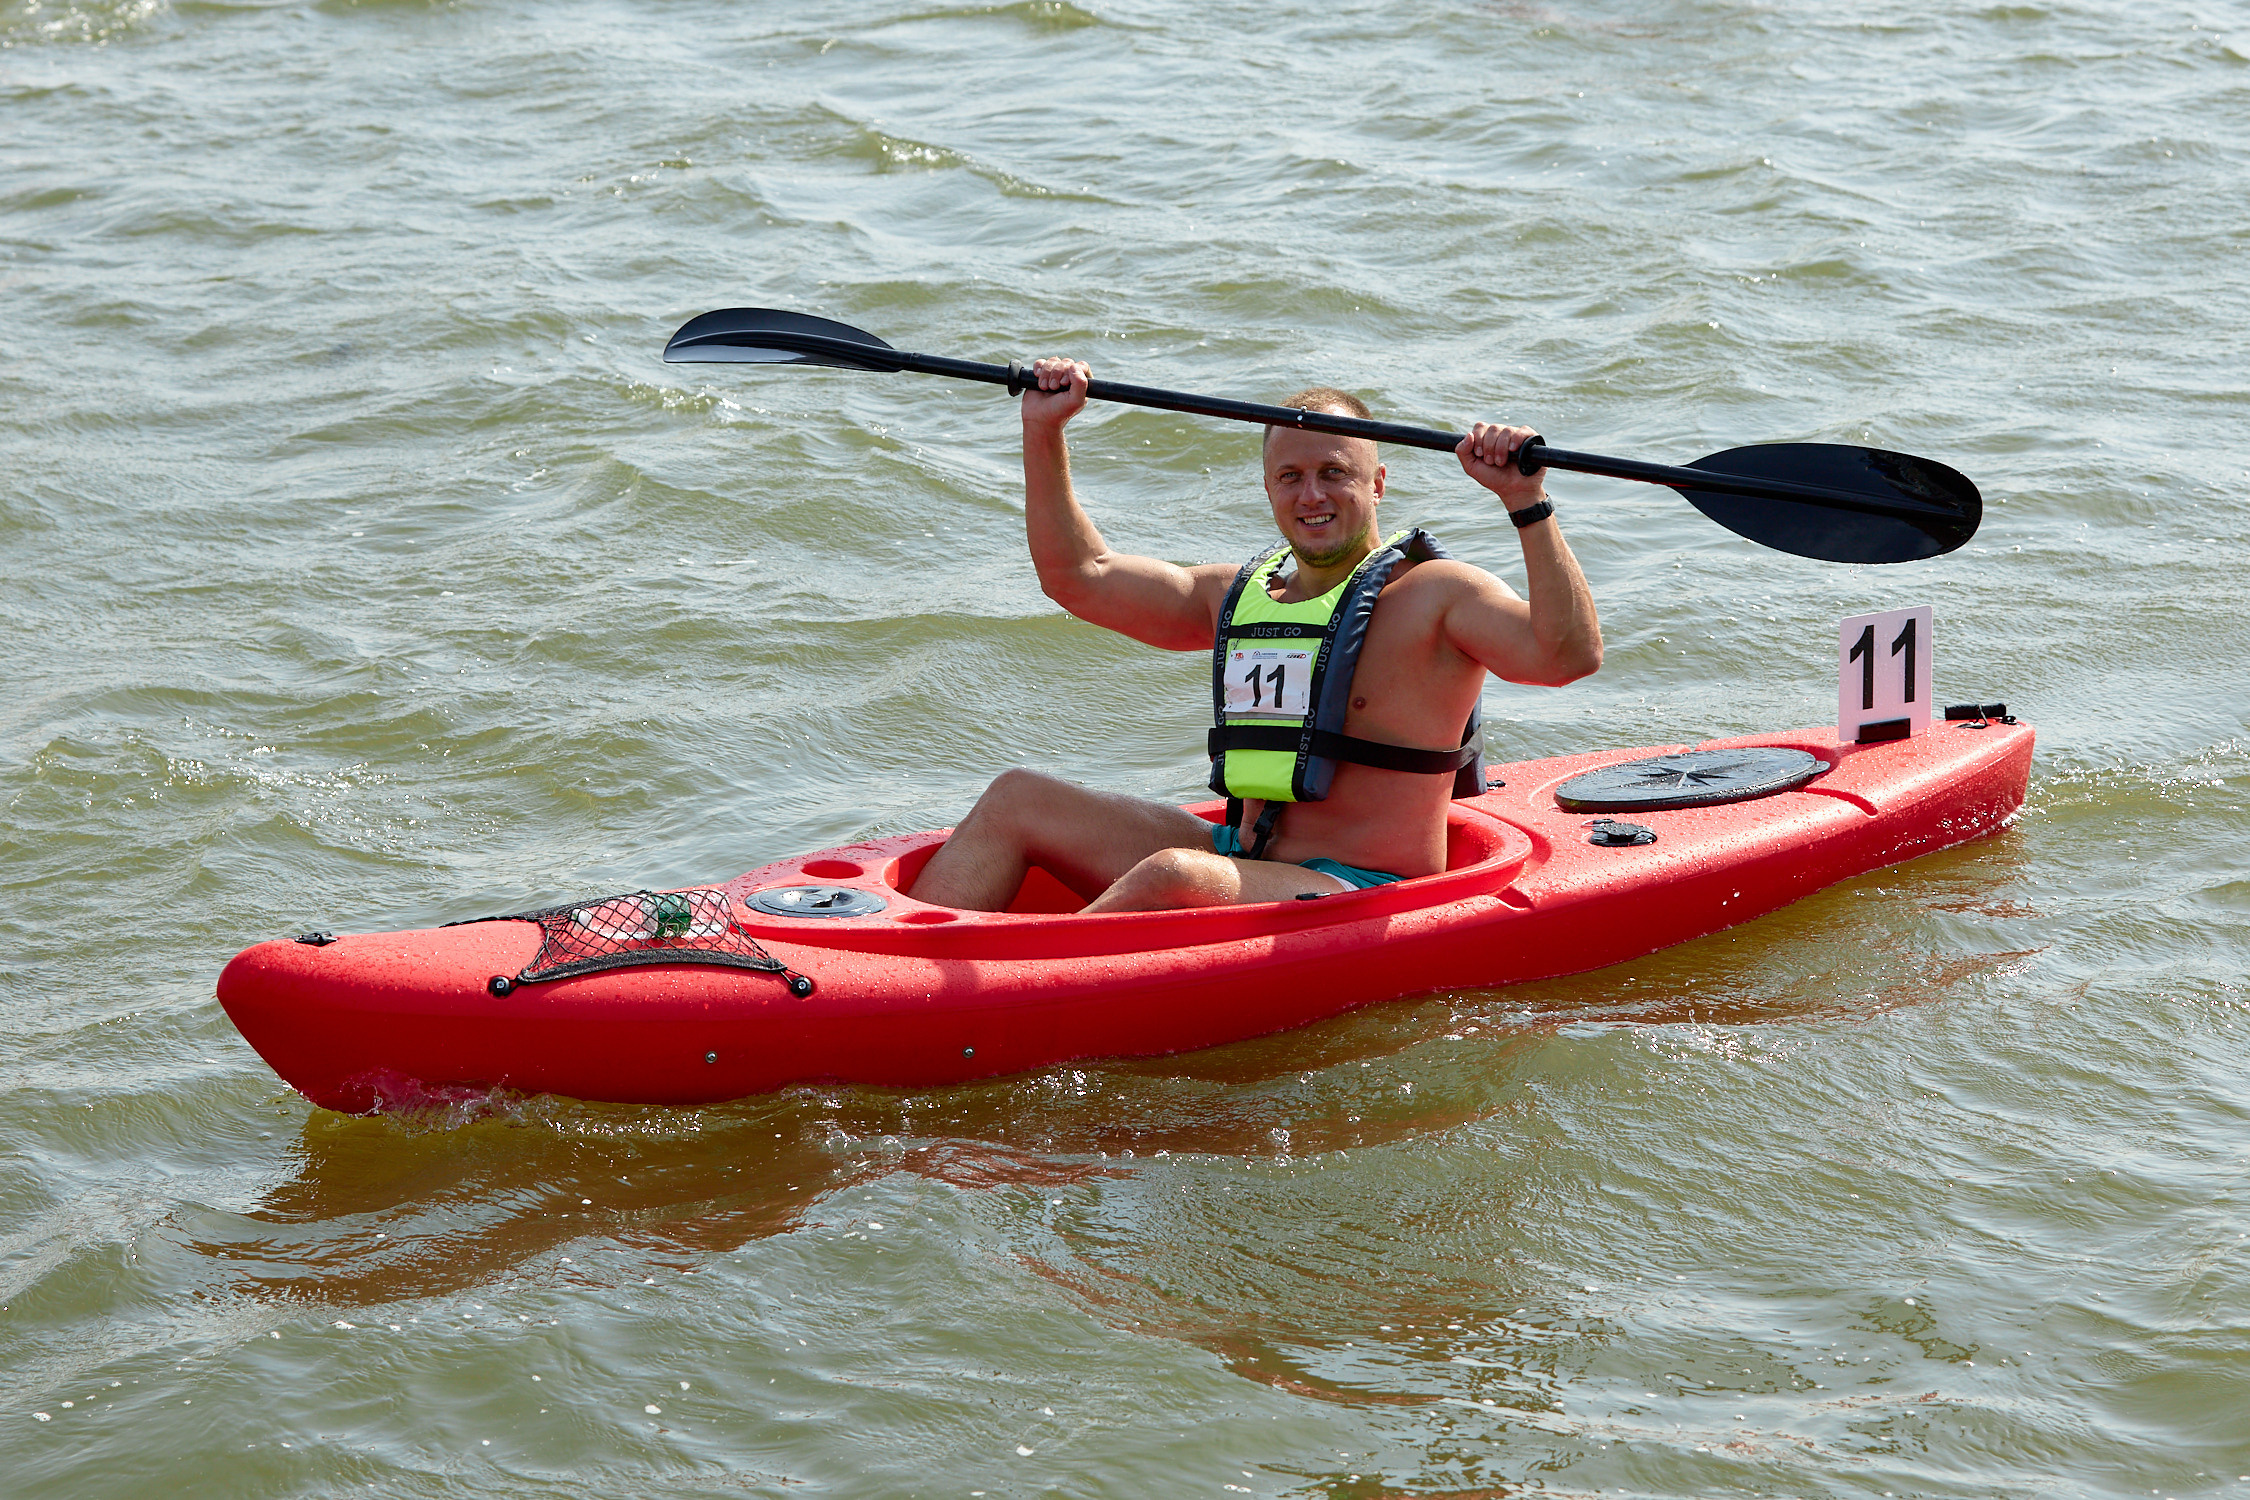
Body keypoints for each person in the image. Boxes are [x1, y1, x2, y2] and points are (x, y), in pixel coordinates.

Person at [906, 356, 1602, 913]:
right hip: (1243, 856)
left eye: (1334, 473)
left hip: (1365, 889)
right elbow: (1079, 575)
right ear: (1268, 487)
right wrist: (1044, 427)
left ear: (1378, 483)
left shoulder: (1440, 596)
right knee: (1018, 797)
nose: (1311, 495)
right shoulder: (1235, 596)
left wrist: (1525, 499)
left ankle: (1017, 997)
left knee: (1175, 875)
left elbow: (1566, 656)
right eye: (1290, 476)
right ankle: (910, 969)